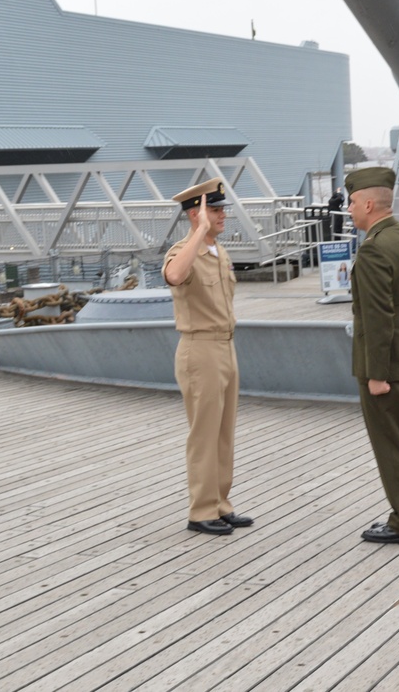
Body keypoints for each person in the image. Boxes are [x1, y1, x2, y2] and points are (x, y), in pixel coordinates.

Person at [163, 178, 253, 536]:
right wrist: (198, 233)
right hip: (199, 349)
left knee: (224, 433)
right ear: (194, 214)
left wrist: (207, 236)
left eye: (221, 210)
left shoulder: (219, 252)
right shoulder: (184, 250)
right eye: (214, 211)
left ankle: (220, 504)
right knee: (204, 434)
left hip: (226, 346)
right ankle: (200, 510)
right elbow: (174, 275)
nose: (221, 217)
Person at [346, 167, 399, 544]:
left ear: (367, 203)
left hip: (388, 365)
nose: (348, 210)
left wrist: (376, 374)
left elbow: (378, 319)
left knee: (393, 446)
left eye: (350, 202)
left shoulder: (374, 249)